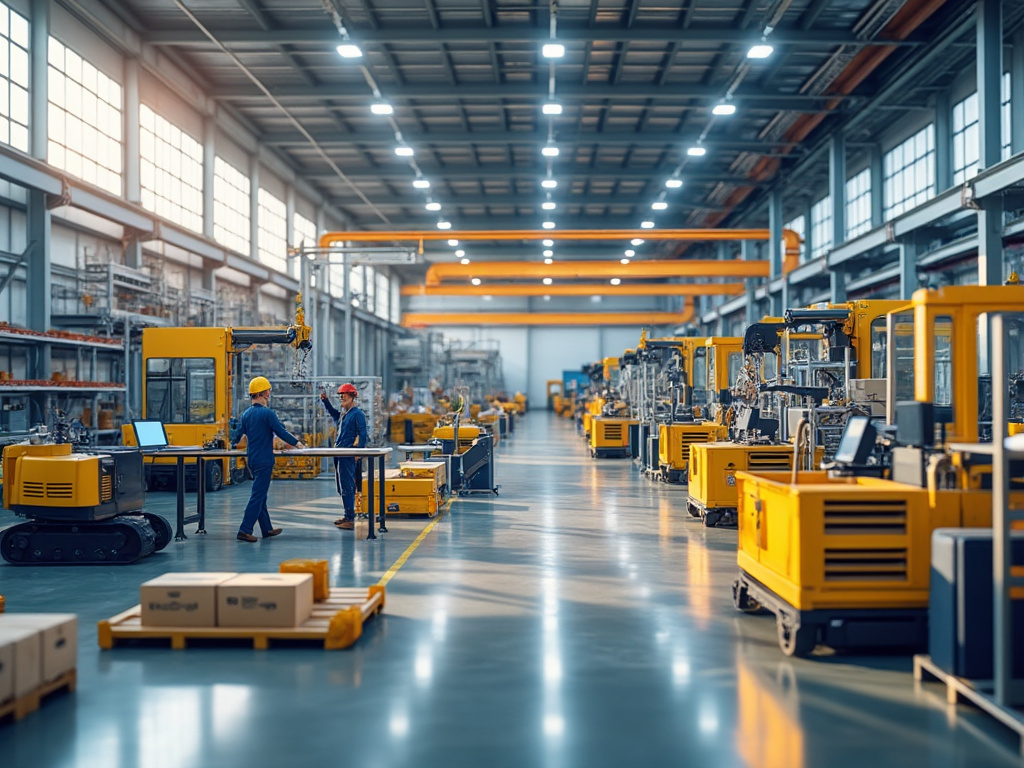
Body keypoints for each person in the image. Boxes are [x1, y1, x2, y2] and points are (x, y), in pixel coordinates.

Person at [231, 376, 306, 542]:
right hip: (264, 460)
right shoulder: (267, 414)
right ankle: (245, 529)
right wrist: (297, 444)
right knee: (257, 496)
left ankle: (266, 529)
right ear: (264, 393)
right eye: (268, 391)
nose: (269, 394)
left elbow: (237, 436)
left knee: (261, 495)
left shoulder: (245, 414)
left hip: (252, 460)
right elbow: (281, 432)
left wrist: (229, 445)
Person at [321, 382, 369, 530]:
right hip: (340, 453)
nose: (342, 398)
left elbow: (363, 434)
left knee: (347, 485)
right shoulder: (344, 414)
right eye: (340, 396)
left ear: (352, 396)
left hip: (348, 454)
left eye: (344, 396)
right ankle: (347, 515)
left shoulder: (357, 414)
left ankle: (350, 518)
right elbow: (335, 415)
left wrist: (358, 452)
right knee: (342, 486)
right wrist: (326, 402)